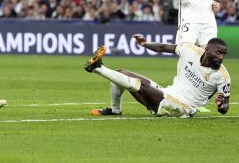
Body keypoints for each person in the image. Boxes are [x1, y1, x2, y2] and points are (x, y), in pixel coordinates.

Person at [85, 35, 230, 117]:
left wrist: (220, 105)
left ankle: (98, 68)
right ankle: (115, 110)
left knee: (138, 84)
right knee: (120, 73)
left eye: (223, 54)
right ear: (207, 49)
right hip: (167, 94)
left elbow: (225, 107)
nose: (221, 57)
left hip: (183, 108)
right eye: (218, 53)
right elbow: (162, 47)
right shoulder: (189, 50)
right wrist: (145, 44)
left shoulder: (222, 76)